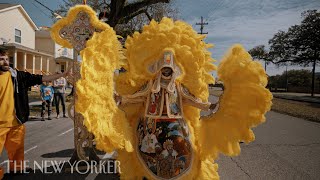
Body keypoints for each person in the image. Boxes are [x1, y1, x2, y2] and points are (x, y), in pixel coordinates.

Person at [0, 47, 71, 178]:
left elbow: (41, 78)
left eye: (6, 59)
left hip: (17, 121)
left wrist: (61, 75)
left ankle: (17, 169)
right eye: (1, 59)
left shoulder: (18, 76)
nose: (5, 62)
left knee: (17, 149)